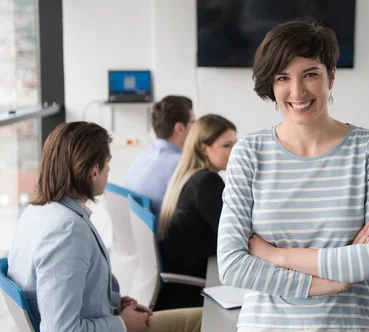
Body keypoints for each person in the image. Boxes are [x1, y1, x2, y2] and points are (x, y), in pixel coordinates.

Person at [217, 19, 369, 331]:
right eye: (282, 77)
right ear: (271, 85)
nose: (297, 91)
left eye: (310, 74)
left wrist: (276, 255)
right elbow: (233, 266)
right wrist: (329, 283)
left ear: (331, 75)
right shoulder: (249, 152)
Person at [7, 122, 202, 332]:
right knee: (206, 319)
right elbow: (61, 329)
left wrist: (113, 302)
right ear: (93, 171)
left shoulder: (36, 213)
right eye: (108, 163)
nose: (109, 170)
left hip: (105, 318)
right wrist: (122, 323)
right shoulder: (66, 229)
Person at [155, 114, 237, 311]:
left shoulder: (189, 178)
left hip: (178, 288)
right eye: (226, 146)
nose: (235, 151)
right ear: (204, 148)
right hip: (192, 290)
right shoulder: (207, 182)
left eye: (236, 144)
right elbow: (234, 237)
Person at [124, 95, 194, 216]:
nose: (197, 128)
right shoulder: (181, 164)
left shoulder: (142, 156)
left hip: (139, 231)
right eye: (193, 122)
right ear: (180, 128)